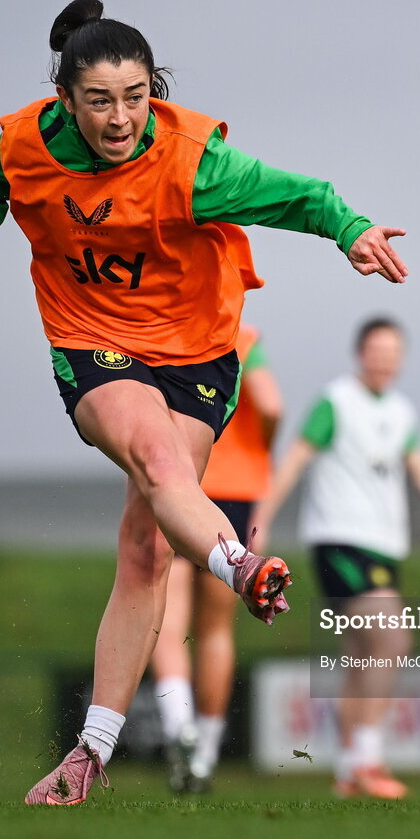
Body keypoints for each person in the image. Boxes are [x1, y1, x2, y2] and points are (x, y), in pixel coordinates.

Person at [0, 0, 408, 806]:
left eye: (137, 96)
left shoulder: (191, 162)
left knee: (147, 547)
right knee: (154, 459)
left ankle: (87, 756)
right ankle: (240, 565)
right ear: (65, 98)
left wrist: (352, 229)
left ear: (154, 89)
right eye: (100, 99)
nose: (120, 117)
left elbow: (303, 195)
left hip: (197, 353)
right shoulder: (28, 144)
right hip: (92, 340)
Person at [253, 317, 420, 799]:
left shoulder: (402, 411)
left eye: (393, 352)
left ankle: (349, 771)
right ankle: (368, 759)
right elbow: (294, 461)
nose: (384, 359)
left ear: (402, 359)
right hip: (339, 541)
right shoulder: (335, 402)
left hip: (385, 547)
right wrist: (259, 524)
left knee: (362, 656)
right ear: (359, 353)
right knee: (393, 638)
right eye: (376, 350)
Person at [151, 324, 281, 794]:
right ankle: (205, 753)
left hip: (179, 481)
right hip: (235, 490)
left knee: (166, 616)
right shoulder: (240, 336)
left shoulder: (157, 325)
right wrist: (257, 449)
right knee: (215, 629)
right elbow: (270, 405)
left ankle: (176, 724)